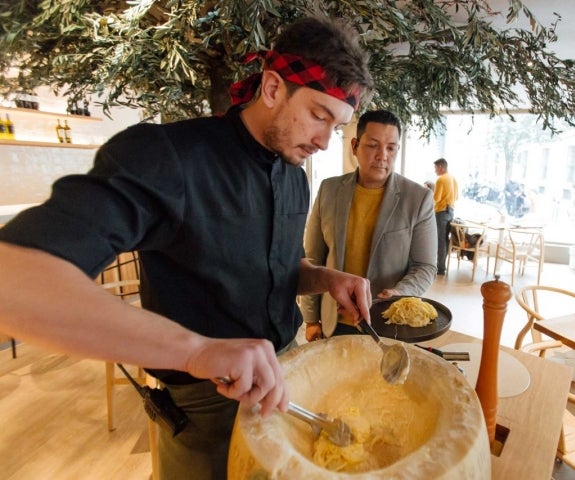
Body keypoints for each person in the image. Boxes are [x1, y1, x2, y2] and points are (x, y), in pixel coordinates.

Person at [0, 16, 374, 480]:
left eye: (336, 127)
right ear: (274, 88)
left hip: (290, 375)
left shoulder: (294, 176)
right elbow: (12, 280)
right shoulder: (169, 157)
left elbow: (274, 265)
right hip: (204, 406)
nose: (324, 140)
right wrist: (197, 351)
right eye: (319, 115)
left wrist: (325, 278)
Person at [301, 110, 437, 340]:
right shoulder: (329, 190)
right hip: (335, 321)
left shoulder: (417, 199)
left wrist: (398, 294)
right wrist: (311, 318)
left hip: (385, 323)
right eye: (373, 145)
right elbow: (314, 258)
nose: (382, 155)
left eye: (391, 147)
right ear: (354, 146)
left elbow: (425, 266)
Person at [433, 158, 459, 275]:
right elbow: (457, 196)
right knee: (445, 239)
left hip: (441, 211)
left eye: (435, 168)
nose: (435, 171)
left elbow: (436, 198)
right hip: (451, 210)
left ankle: (440, 268)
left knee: (440, 240)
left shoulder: (440, 180)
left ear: (440, 167)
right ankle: (442, 266)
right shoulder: (453, 178)